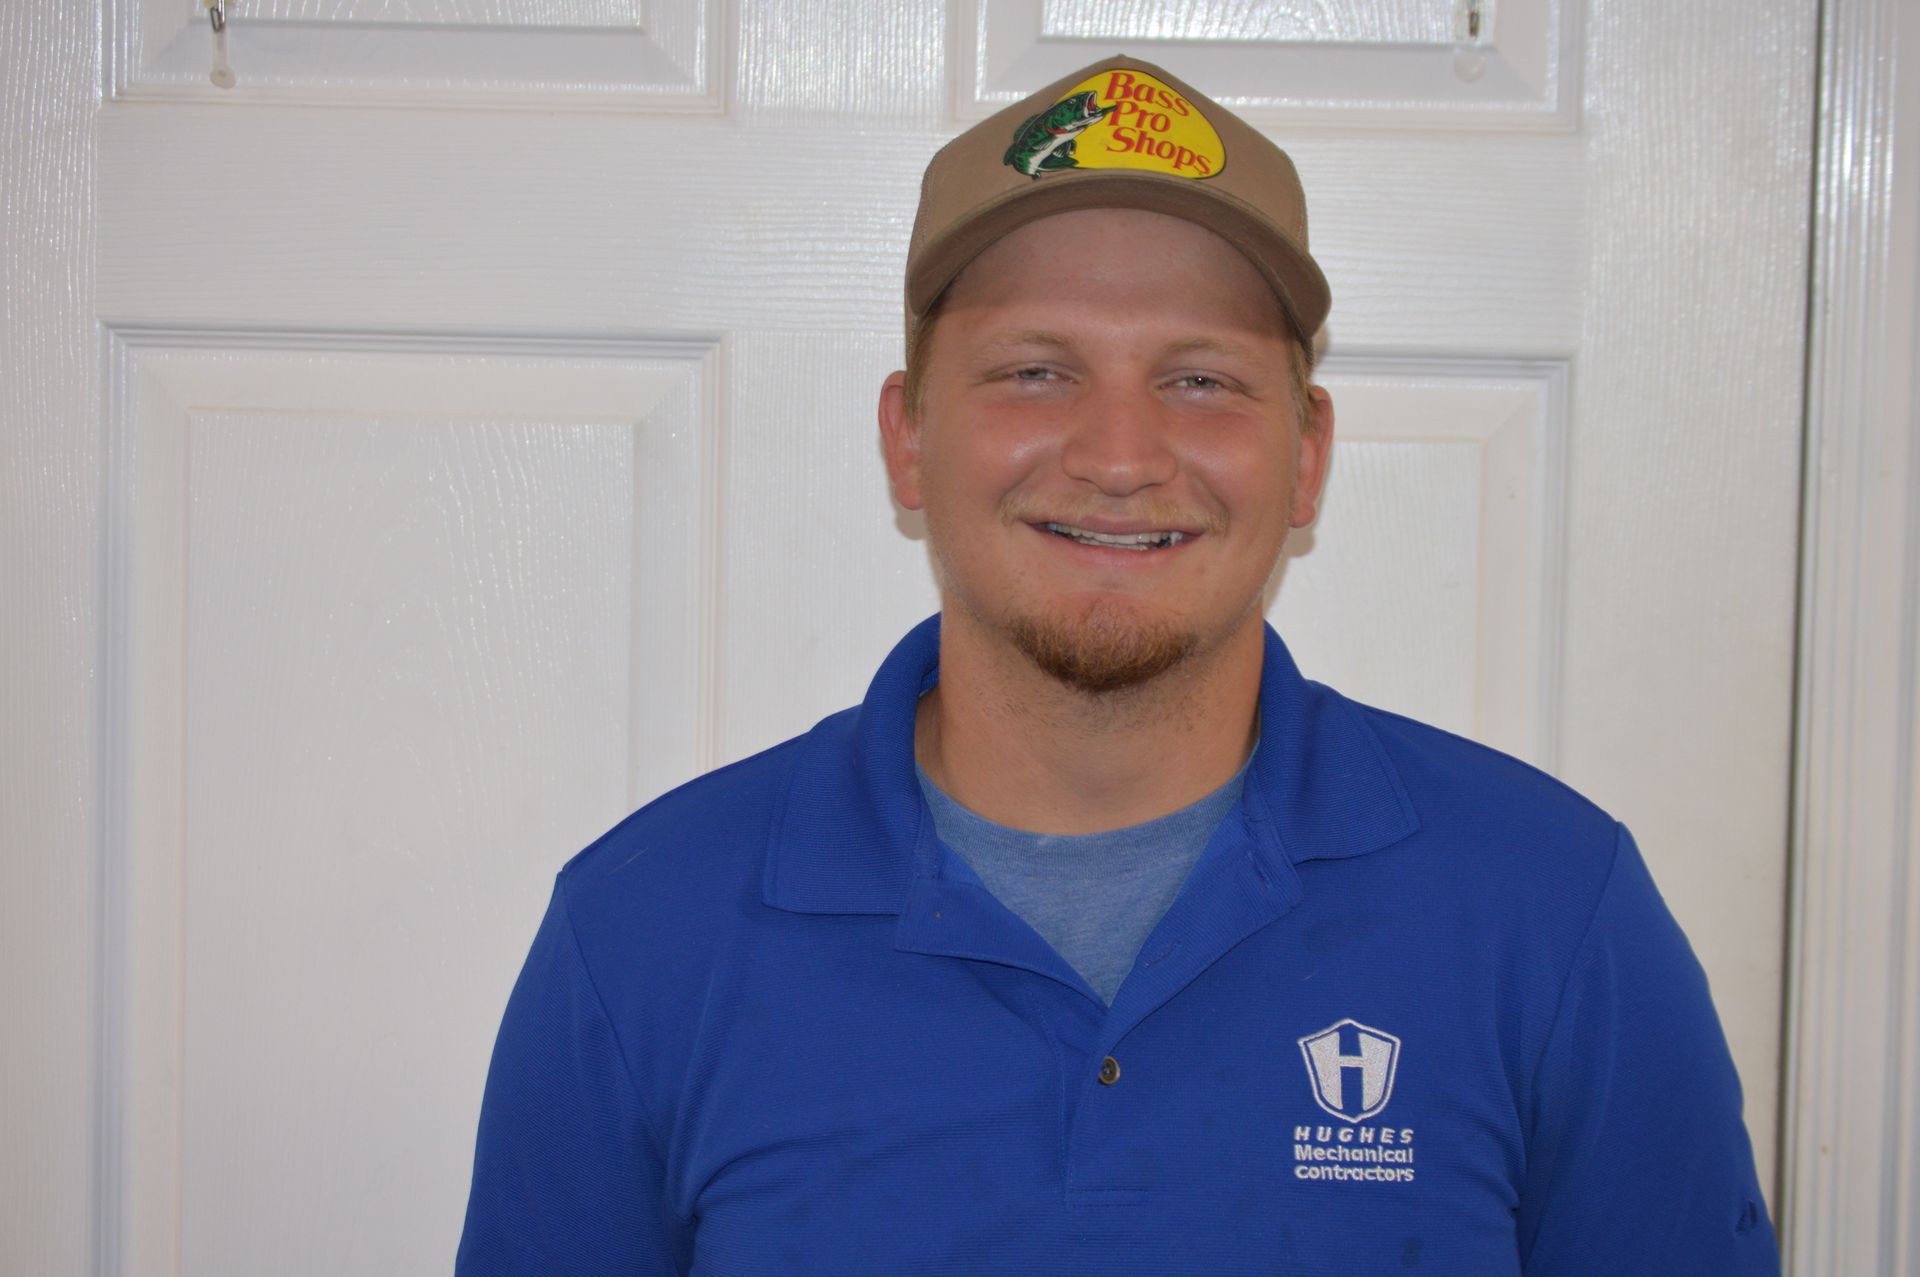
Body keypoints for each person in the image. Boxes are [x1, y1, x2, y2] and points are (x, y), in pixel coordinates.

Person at [457, 55, 1778, 1274]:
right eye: (1036, 370)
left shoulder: (1552, 915)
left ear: (1308, 454)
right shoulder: (645, 932)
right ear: (908, 438)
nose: (1120, 454)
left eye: (1201, 380)